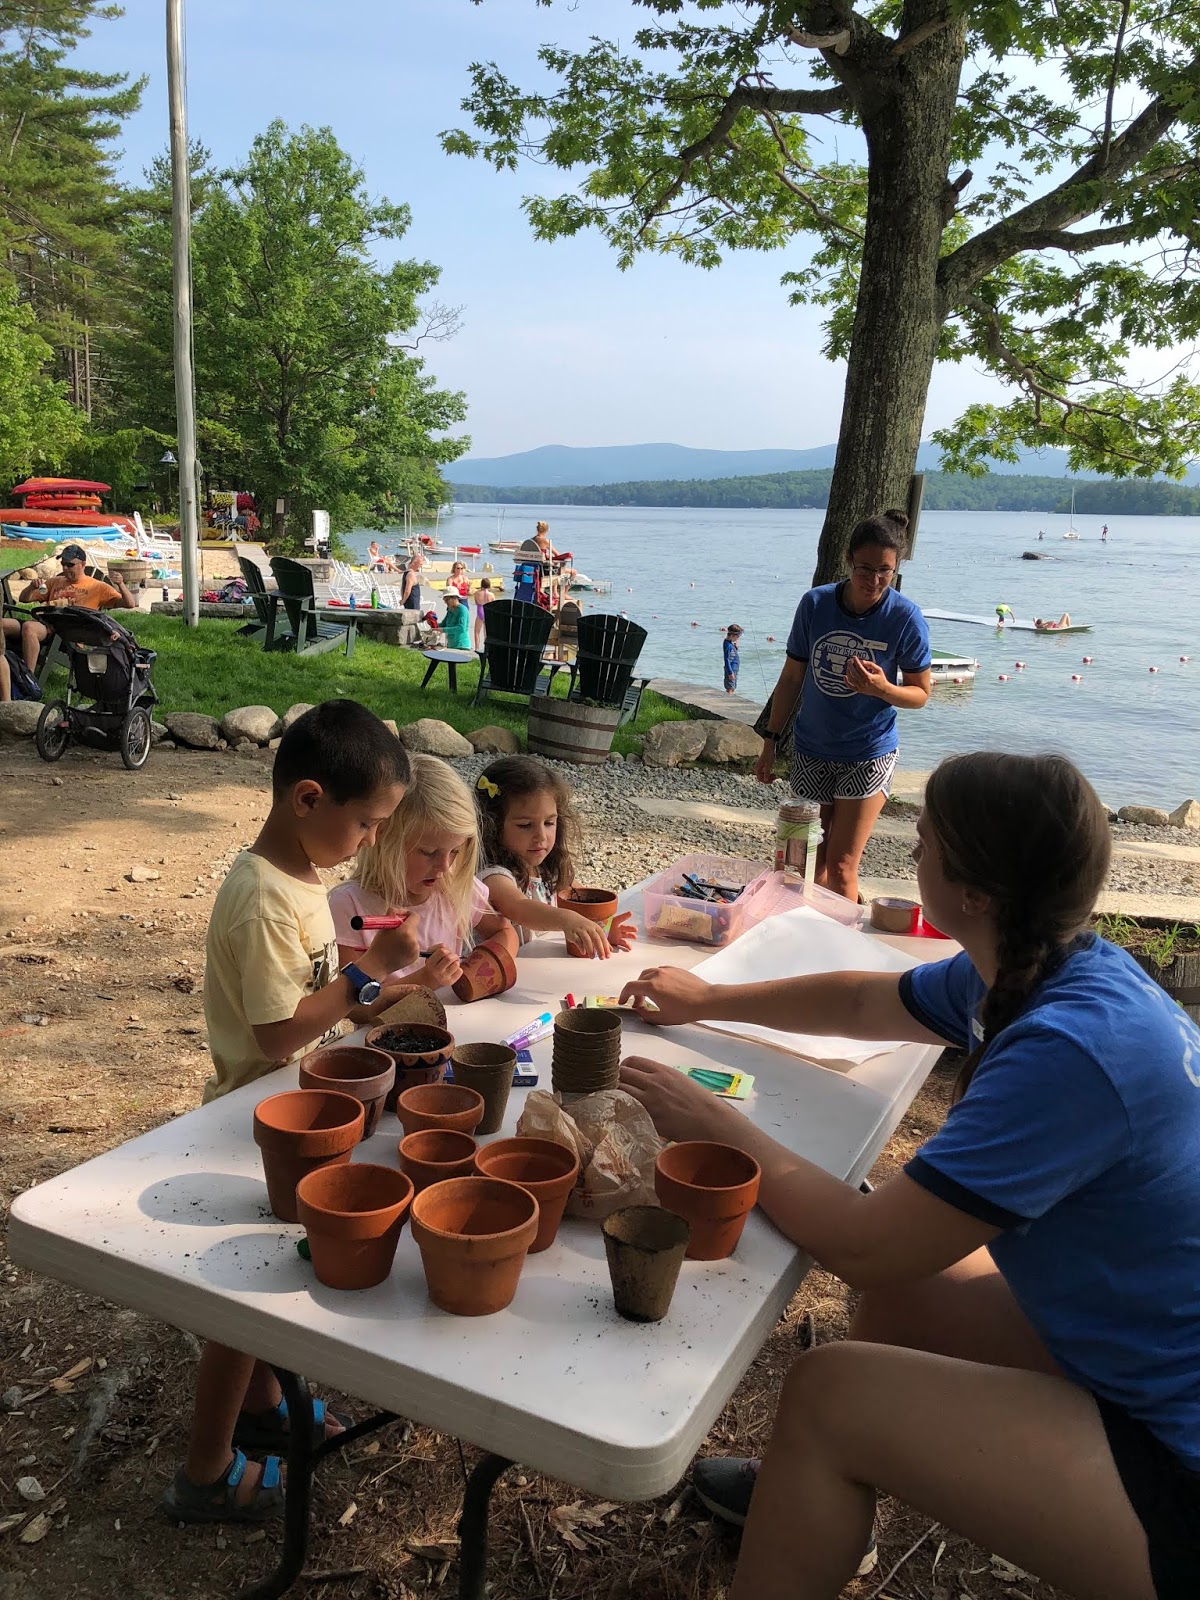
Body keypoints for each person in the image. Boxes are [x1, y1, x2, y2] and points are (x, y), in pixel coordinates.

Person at [618, 750, 1200, 1600]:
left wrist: (717, 1126)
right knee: (910, 1295)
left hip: (1173, 1463)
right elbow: (864, 1003)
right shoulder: (1047, 966)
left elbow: (863, 1243)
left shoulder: (1070, 1053)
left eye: (923, 841)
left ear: (975, 893)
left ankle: (826, 1459)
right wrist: (703, 1002)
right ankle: (817, 1495)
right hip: (1141, 1351)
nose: (910, 851)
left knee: (827, 1393)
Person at [162, 701, 419, 1523]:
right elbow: (277, 1035)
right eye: (367, 824)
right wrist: (363, 975)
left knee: (276, 1269)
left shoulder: (307, 877)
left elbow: (325, 1004)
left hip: (295, 1106)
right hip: (254, 1115)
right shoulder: (264, 896)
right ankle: (205, 1473)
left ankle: (264, 1404)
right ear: (308, 799)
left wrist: (390, 985)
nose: (371, 842)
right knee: (244, 1292)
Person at [755, 510, 931, 904]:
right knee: (800, 866)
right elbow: (790, 678)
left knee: (839, 867)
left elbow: (920, 694)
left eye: (884, 571)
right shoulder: (816, 604)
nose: (873, 581)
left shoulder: (905, 617)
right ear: (849, 559)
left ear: (896, 568)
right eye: (865, 569)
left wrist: (882, 688)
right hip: (811, 749)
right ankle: (797, 944)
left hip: (867, 752)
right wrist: (770, 741)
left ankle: (845, 954)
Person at [330, 752, 515, 992]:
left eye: (455, 852)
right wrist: (426, 978)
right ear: (384, 839)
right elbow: (355, 1002)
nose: (445, 867)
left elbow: (504, 931)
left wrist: (479, 973)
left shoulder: (454, 888)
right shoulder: (350, 905)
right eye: (429, 852)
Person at [474, 755, 637, 957]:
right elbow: (519, 907)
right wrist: (566, 919)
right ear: (492, 825)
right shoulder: (491, 877)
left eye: (549, 823)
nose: (541, 836)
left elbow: (582, 903)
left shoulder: (549, 870)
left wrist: (601, 929)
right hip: (504, 980)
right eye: (525, 825)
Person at [4, 545, 135, 672]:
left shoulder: (97, 587)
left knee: (29, 627)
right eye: (63, 564)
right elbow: (24, 599)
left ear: (83, 564)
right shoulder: (55, 581)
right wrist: (31, 587)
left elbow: (130, 604)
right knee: (3, 624)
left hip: (66, 632)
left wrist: (121, 584)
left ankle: (28, 682)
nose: (66, 568)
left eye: (70, 565)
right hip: (44, 624)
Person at [473, 576, 493, 650]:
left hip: (480, 611)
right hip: (488, 612)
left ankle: (477, 648)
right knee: (486, 633)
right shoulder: (491, 595)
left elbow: (476, 602)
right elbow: (493, 605)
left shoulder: (477, 593)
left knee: (477, 632)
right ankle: (486, 648)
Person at [723, 624, 743, 694]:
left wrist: (736, 648)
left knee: (733, 687)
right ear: (732, 636)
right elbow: (727, 659)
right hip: (731, 669)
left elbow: (732, 654)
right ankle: (727, 701)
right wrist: (730, 672)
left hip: (734, 669)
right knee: (730, 688)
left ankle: (728, 699)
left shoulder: (730, 643)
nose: (737, 639)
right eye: (737, 637)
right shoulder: (728, 645)